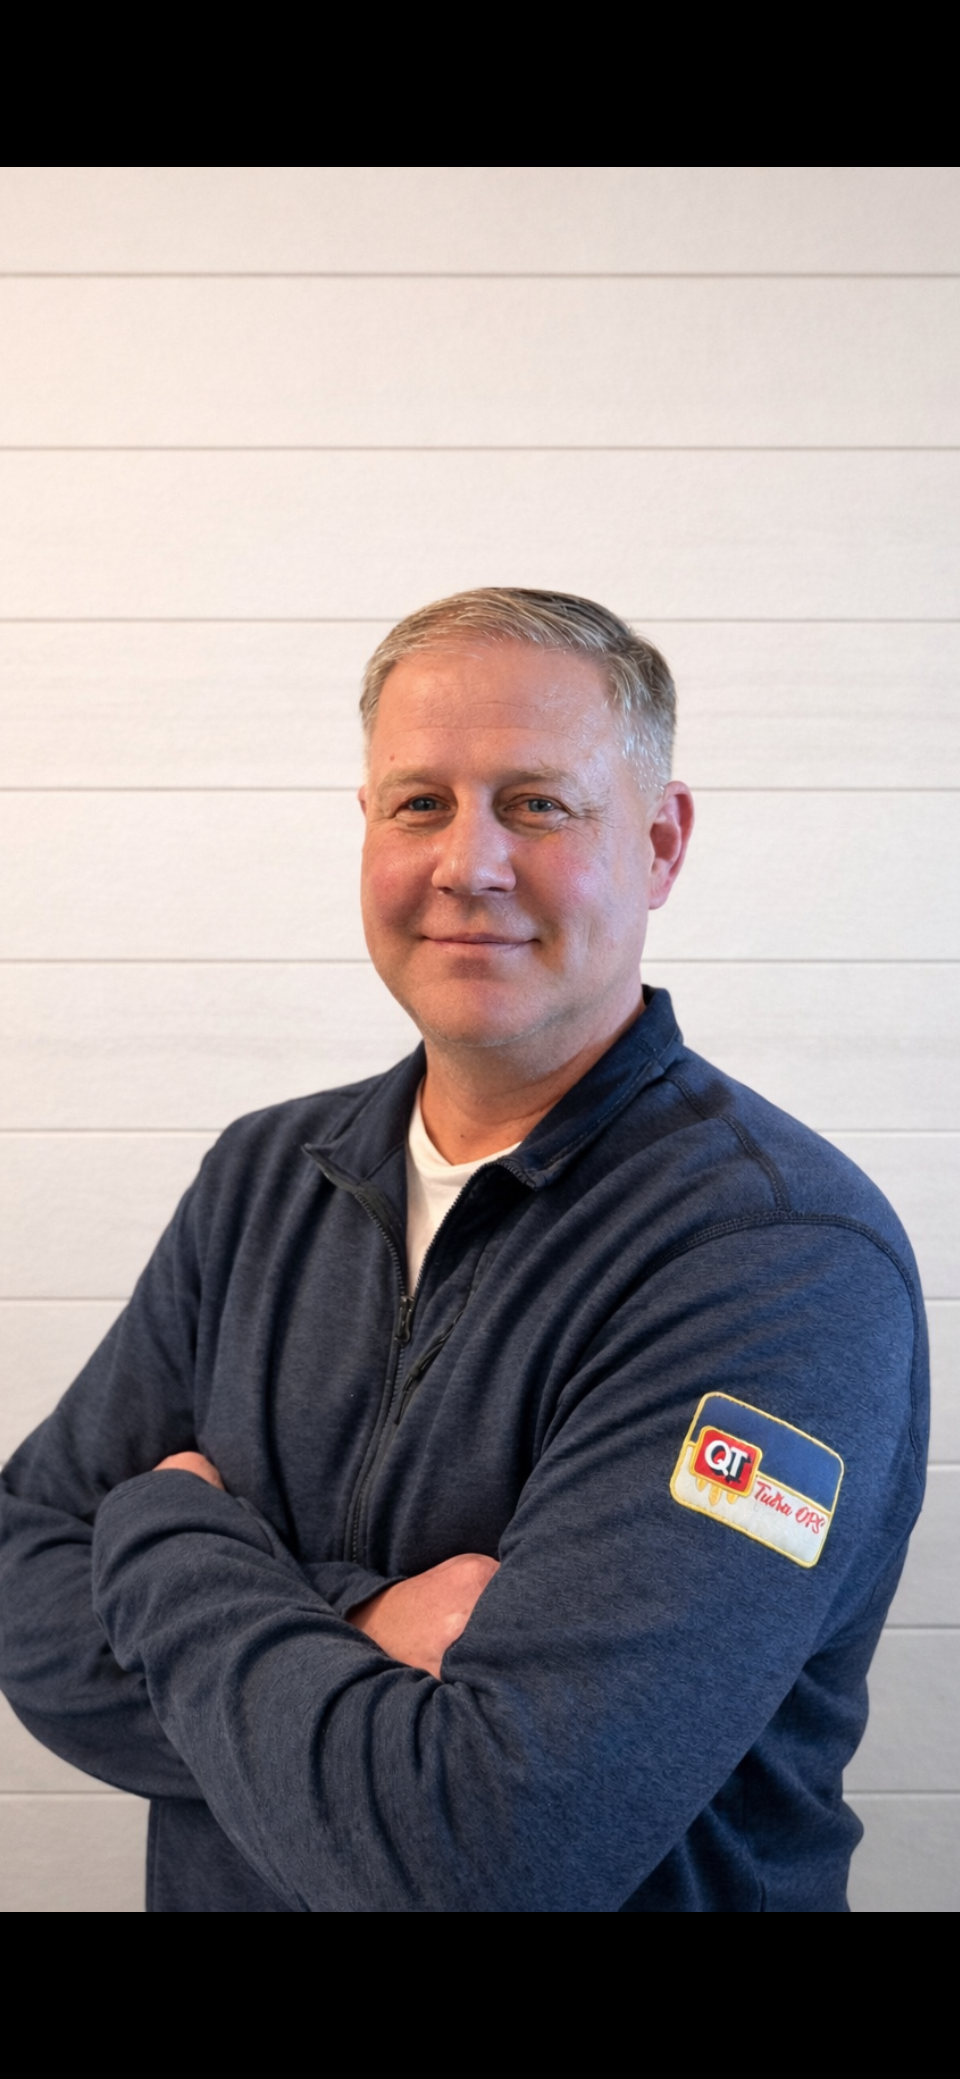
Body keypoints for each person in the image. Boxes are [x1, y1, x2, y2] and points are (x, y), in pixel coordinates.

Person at [0, 588, 927, 1913]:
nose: (468, 861)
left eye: (537, 804)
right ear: (367, 828)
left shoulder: (778, 1263)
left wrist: (157, 1530)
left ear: (661, 844)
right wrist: (367, 1627)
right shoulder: (266, 1177)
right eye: (419, 802)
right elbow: (23, 1567)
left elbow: (489, 1852)